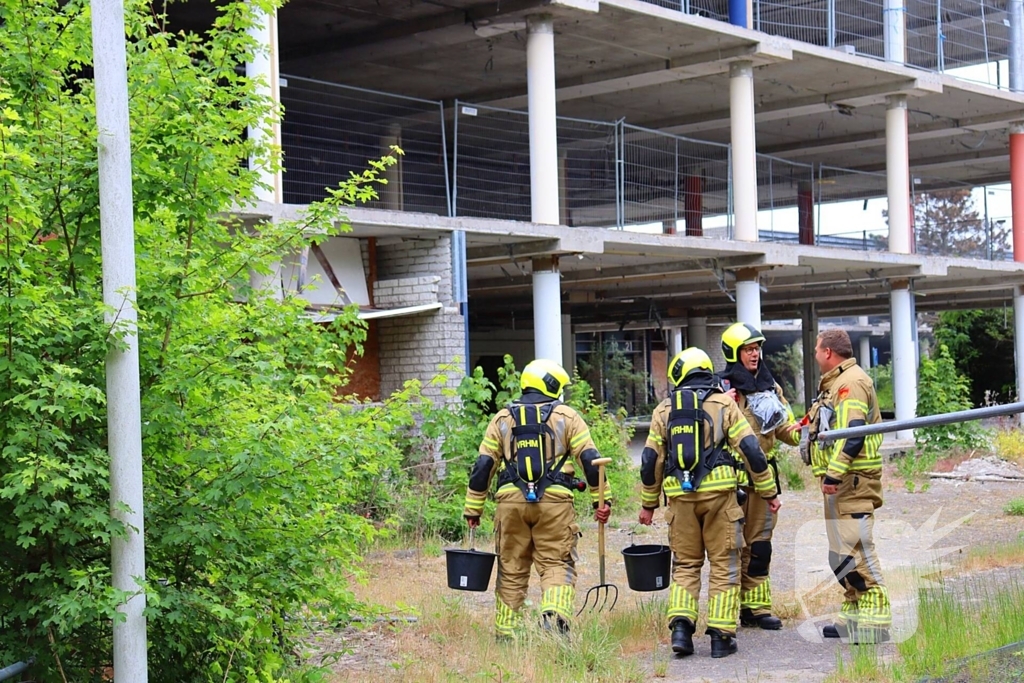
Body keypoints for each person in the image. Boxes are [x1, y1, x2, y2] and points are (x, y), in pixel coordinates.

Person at [639, 348, 780, 659]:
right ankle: (720, 636)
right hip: (720, 501)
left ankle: (681, 628)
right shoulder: (724, 404)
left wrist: (648, 504)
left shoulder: (664, 410)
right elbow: (752, 451)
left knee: (685, 565)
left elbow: (650, 461)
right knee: (724, 565)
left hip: (680, 501)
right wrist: (769, 492)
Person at [463, 359, 612, 639]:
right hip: (555, 505)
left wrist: (473, 509)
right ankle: (554, 620)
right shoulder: (567, 417)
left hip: (510, 504)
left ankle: (506, 634)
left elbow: (483, 466)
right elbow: (591, 459)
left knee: (511, 568)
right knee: (556, 563)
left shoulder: (502, 418)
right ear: (551, 385)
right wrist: (602, 500)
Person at [798, 328, 890, 643]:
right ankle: (853, 614)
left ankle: (876, 621)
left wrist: (834, 475)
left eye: (816, 350)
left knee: (857, 549)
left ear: (828, 352)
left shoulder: (851, 383)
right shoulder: (836, 384)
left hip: (852, 481)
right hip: (840, 483)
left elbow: (854, 433)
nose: (814, 355)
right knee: (841, 554)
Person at [719, 322, 800, 631]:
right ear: (734, 353)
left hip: (764, 480)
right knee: (731, 546)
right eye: (748, 349)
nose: (755, 354)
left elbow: (784, 428)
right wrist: (723, 403)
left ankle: (756, 608)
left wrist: (803, 431)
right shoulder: (721, 389)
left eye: (757, 349)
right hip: (732, 482)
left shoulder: (771, 387)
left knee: (760, 546)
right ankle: (726, 610)